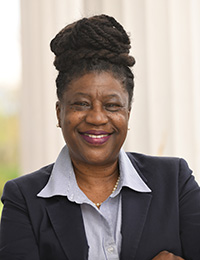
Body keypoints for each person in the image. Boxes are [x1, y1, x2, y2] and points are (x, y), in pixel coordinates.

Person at [0, 14, 200, 260]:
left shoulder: (175, 181)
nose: (96, 118)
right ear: (59, 112)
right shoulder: (24, 199)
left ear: (128, 112)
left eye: (112, 106)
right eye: (81, 104)